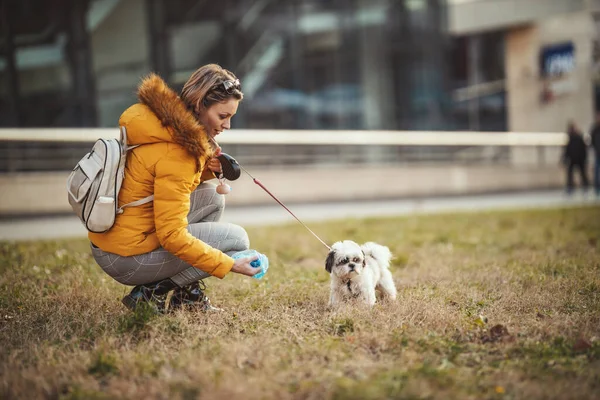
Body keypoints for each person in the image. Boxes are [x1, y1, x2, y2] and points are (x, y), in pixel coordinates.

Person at [89, 64, 264, 313]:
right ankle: (148, 294)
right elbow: (172, 236)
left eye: (231, 117)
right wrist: (228, 264)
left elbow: (162, 182)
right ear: (199, 104)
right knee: (236, 239)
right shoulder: (179, 152)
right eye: (222, 116)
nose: (227, 126)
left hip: (115, 241)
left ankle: (187, 297)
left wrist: (206, 166)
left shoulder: (164, 128)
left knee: (212, 197)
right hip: (126, 259)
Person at [562, 120, 589, 195]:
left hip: (580, 159)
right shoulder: (570, 138)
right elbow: (567, 150)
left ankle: (585, 187)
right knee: (570, 174)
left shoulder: (579, 137)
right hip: (572, 159)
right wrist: (564, 159)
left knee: (583, 174)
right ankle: (570, 188)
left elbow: (584, 149)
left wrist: (584, 159)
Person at [590, 113, 600, 196]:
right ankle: (597, 188)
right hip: (597, 154)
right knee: (596, 172)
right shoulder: (594, 130)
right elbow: (592, 142)